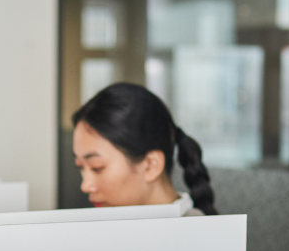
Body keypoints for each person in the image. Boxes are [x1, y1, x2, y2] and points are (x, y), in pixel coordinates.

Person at [72, 83, 216, 216]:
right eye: (80, 167)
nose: (85, 186)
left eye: (97, 168)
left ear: (151, 165)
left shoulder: (199, 237)